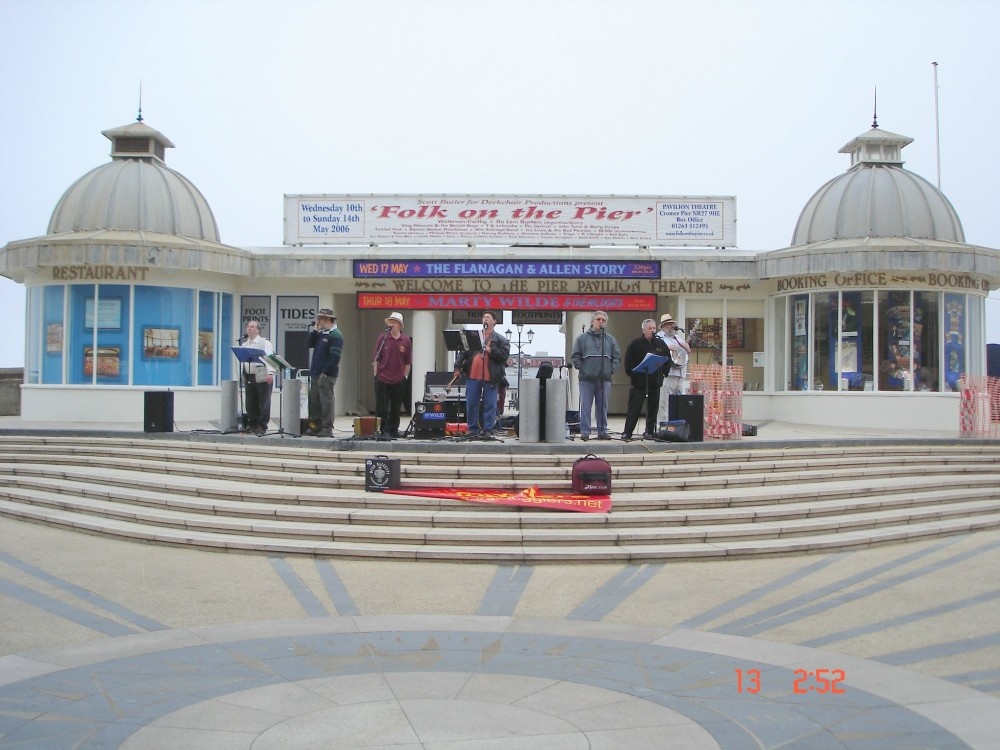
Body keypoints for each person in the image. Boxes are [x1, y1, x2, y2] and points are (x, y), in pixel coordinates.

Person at [453, 311, 510, 438]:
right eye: (484, 317)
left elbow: (504, 356)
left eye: (488, 317)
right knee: (471, 403)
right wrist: (457, 367)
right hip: (473, 376)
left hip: (491, 377)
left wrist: (491, 350)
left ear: (494, 321)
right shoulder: (473, 336)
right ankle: (472, 428)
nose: (485, 319)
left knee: (490, 404)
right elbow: (462, 353)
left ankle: (488, 429)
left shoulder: (501, 339)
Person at [571, 310, 621, 441]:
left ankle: (602, 431)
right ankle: (585, 432)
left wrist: (610, 370)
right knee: (586, 407)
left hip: (604, 378)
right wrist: (583, 369)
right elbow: (575, 356)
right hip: (586, 379)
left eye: (603, 320)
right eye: (598, 319)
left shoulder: (610, 340)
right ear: (592, 321)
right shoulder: (582, 338)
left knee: (602, 407)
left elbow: (616, 357)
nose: (601, 322)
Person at [622, 318, 670, 441]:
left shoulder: (660, 344)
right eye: (650, 328)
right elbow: (628, 363)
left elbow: (667, 360)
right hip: (639, 384)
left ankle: (650, 431)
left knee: (653, 409)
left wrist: (664, 373)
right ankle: (627, 432)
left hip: (655, 383)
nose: (652, 330)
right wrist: (635, 375)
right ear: (643, 330)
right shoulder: (635, 344)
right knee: (634, 409)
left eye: (654, 328)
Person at [372, 311, 411, 439]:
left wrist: (405, 377)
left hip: (398, 379)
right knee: (382, 407)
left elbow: (408, 361)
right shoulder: (382, 338)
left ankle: (393, 429)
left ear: (399, 325)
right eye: (391, 322)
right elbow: (376, 358)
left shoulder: (405, 340)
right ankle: (383, 430)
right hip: (383, 377)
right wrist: (376, 375)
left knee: (396, 407)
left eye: (394, 322)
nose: (392, 324)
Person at [305, 308, 343, 438]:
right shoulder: (321, 334)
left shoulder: (336, 335)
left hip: (326, 374)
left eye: (321, 318)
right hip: (315, 373)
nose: (319, 321)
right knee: (314, 401)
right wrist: (315, 330)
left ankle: (327, 428)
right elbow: (309, 344)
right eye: (319, 318)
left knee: (326, 401)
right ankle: (316, 426)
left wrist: (326, 373)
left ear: (328, 319)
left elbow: (335, 356)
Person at [241, 320, 275, 435]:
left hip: (262, 375)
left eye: (252, 327)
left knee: (263, 401)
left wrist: (270, 373)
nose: (249, 329)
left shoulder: (264, 343)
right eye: (248, 326)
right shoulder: (245, 344)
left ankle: (262, 425)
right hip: (249, 375)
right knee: (250, 401)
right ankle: (252, 424)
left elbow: (270, 358)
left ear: (258, 330)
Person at [656, 313, 691, 425]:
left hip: (680, 374)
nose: (671, 326)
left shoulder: (678, 338)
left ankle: (678, 426)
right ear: (663, 326)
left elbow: (684, 355)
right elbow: (656, 350)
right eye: (669, 324)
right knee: (664, 403)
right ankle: (662, 426)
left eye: (672, 324)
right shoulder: (659, 337)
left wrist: (687, 350)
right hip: (667, 374)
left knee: (679, 403)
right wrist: (667, 348)